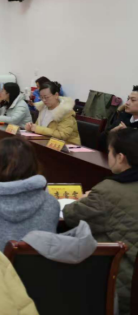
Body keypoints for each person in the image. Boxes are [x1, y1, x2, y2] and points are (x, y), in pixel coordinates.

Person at [64, 128, 138, 315]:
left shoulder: (109, 191)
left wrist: (83, 199)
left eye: (109, 152)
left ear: (120, 157)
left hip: (119, 286)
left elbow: (71, 216)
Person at [99, 85, 138, 152]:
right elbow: (101, 140)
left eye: (133, 100)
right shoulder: (123, 117)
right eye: (128, 99)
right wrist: (111, 133)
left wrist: (128, 134)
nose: (127, 103)